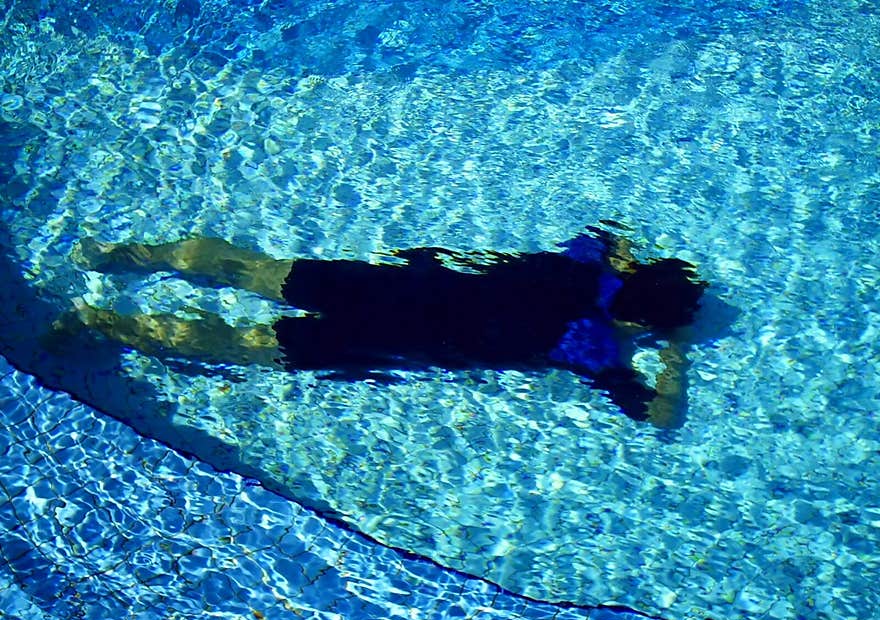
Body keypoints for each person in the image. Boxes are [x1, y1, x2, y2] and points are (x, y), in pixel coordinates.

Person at [69, 222, 707, 428]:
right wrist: (673, 357)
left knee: (253, 270)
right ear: (642, 322)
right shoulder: (590, 343)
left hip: (397, 287)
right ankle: (97, 322)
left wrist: (626, 266)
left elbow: (604, 234)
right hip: (395, 340)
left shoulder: (584, 265)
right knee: (241, 343)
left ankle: (131, 257)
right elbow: (657, 416)